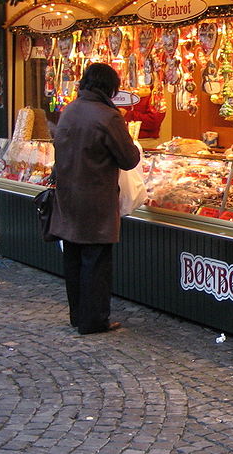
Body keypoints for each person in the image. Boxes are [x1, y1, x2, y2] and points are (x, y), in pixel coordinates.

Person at [49, 63, 141, 335]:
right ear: (109, 87)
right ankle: (95, 320)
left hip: (68, 197)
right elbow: (128, 159)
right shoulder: (107, 117)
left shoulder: (70, 110)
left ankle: (78, 315)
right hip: (96, 199)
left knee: (74, 259)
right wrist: (133, 144)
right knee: (96, 262)